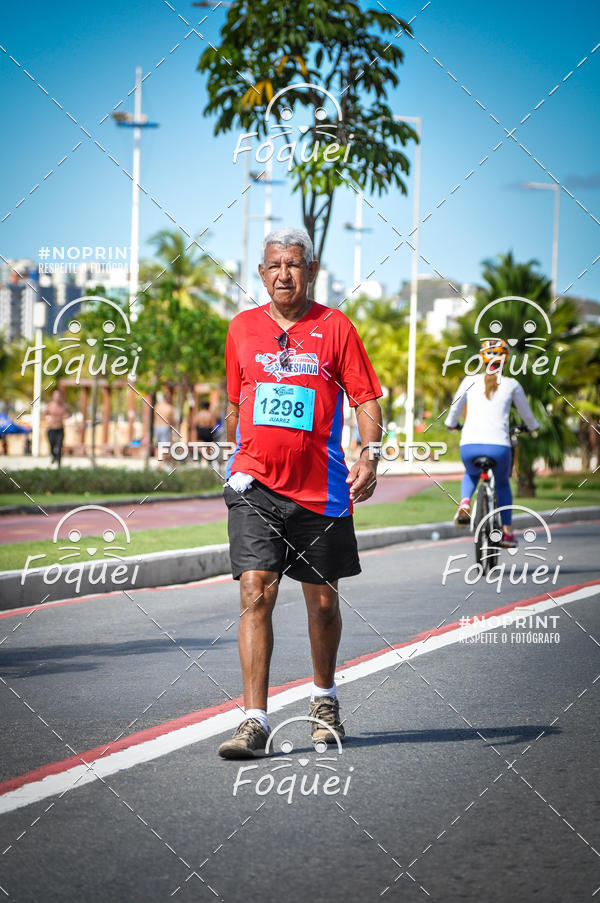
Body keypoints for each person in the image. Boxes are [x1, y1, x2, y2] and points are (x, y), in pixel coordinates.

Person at [218, 226, 383, 759]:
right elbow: (235, 401)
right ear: (261, 273)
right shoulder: (241, 329)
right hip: (254, 483)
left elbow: (365, 398)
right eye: (274, 265)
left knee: (323, 604)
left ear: (310, 270)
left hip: (321, 489)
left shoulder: (336, 327)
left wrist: (370, 454)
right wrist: (233, 449)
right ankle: (254, 721)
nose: (283, 274)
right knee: (254, 589)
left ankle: (324, 699)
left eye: (293, 264)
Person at [444, 338, 540, 547]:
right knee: (503, 484)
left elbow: (453, 412)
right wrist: (532, 427)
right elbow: (527, 416)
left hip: (469, 445)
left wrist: (452, 425)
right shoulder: (512, 384)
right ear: (505, 361)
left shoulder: (469, 380)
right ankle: (506, 533)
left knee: (471, 474)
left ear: (482, 360)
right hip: (499, 447)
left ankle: (465, 503)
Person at [45, 390, 70, 466]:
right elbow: (43, 415)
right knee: (51, 445)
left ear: (60, 397)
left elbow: (70, 414)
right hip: (51, 429)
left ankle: (59, 464)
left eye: (58, 396)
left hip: (60, 429)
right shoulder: (50, 405)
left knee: (59, 446)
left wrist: (65, 416)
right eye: (55, 396)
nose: (57, 398)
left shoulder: (64, 406)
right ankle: (54, 456)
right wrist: (47, 419)